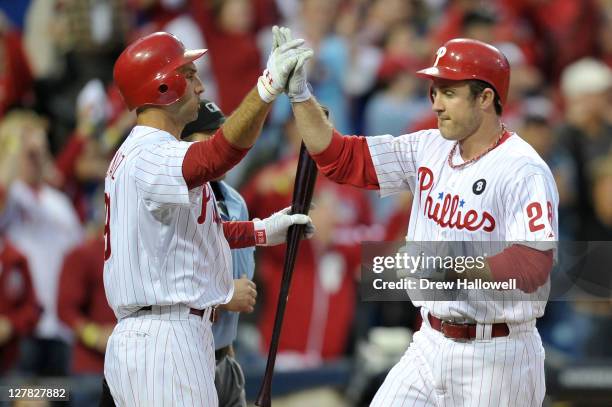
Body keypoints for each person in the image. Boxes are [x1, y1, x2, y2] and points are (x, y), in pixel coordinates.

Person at [281, 28, 559, 406]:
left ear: (486, 98)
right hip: (429, 342)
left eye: (449, 92)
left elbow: (533, 264)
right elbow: (340, 159)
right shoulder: (427, 146)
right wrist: (301, 96)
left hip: (498, 353)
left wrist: (449, 265)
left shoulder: (523, 169)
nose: (436, 104)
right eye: (435, 92)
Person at [103, 29, 313, 406]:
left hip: (169, 333)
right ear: (163, 87)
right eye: (188, 74)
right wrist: (266, 88)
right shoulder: (149, 153)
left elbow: (200, 232)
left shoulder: (152, 153)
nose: (199, 86)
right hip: (163, 339)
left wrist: (263, 231)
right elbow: (217, 156)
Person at [181, 99, 256, 407]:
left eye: (222, 134)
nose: (222, 144)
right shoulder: (178, 200)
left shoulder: (235, 201)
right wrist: (223, 297)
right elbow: (168, 284)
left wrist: (228, 346)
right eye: (209, 136)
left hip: (224, 357)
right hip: (185, 360)